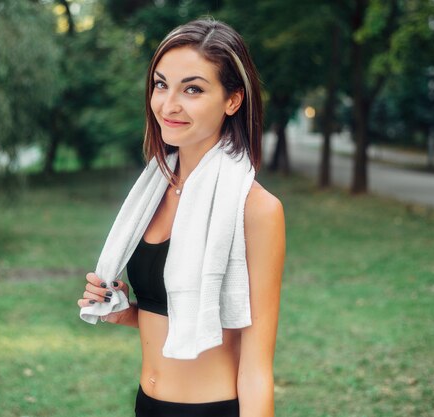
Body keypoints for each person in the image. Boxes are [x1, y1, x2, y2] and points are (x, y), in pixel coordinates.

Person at [77, 18, 285, 417]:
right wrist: (126, 313)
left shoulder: (256, 209)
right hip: (147, 404)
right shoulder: (153, 191)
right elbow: (187, 316)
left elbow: (256, 367)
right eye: (160, 84)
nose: (168, 105)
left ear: (233, 100)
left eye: (192, 89)